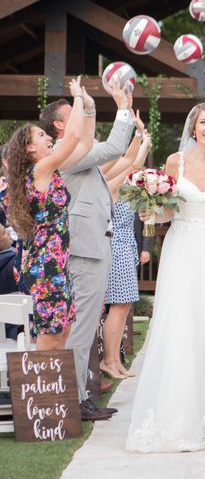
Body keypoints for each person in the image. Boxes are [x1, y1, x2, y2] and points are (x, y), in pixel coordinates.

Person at [127, 102, 205, 452]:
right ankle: (180, 413)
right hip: (181, 250)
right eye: (203, 123)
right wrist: (150, 207)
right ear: (193, 129)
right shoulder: (173, 162)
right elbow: (167, 212)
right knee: (181, 332)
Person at [40, 80, 134, 420]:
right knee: (81, 326)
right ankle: (75, 401)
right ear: (61, 125)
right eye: (76, 114)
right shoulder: (64, 153)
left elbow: (96, 141)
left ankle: (80, 395)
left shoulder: (74, 152)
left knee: (86, 324)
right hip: (85, 249)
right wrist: (122, 107)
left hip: (95, 244)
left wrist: (90, 106)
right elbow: (112, 148)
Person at [6, 77, 94, 350]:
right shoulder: (40, 170)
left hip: (56, 263)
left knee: (63, 330)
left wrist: (88, 109)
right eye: (42, 136)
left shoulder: (49, 168)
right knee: (49, 336)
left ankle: (54, 391)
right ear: (30, 148)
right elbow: (73, 137)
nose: (48, 138)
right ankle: (41, 390)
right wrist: (77, 97)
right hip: (45, 266)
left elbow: (84, 144)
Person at [102, 119, 152, 380]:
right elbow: (132, 164)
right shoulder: (109, 187)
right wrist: (141, 139)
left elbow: (133, 163)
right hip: (116, 248)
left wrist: (142, 137)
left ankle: (116, 360)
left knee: (124, 308)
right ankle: (109, 361)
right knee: (118, 307)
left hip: (125, 247)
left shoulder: (123, 187)